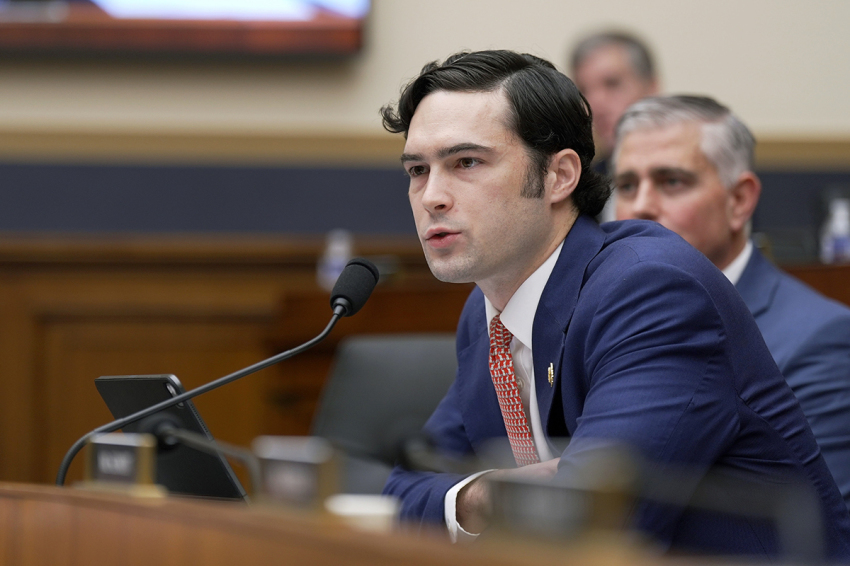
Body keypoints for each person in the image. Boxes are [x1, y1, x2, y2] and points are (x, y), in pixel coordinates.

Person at [379, 49, 850, 559]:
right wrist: (484, 495)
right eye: (417, 170)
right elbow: (401, 491)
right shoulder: (489, 311)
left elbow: (595, 521)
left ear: (560, 175)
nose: (432, 196)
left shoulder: (650, 290)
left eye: (466, 162)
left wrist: (516, 495)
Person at [612, 94, 850, 509]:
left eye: (672, 181)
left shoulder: (821, 338)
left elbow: (811, 524)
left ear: (739, 200)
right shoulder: (603, 321)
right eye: (627, 185)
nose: (641, 206)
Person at [569, 31, 659, 170]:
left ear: (651, 88)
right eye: (583, 91)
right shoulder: (583, 179)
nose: (594, 104)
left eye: (612, 84)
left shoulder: (688, 166)